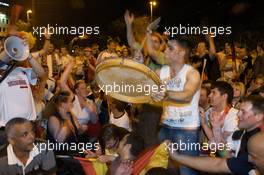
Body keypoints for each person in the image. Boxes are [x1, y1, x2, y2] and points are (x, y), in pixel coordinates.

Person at [168, 95, 264, 175]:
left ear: (259, 116)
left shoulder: (259, 142)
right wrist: (216, 129)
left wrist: (177, 157)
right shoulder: (243, 132)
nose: (238, 114)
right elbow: (227, 156)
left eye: (243, 112)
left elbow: (219, 164)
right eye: (239, 110)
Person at [152, 37, 201, 175]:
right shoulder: (162, 72)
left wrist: (166, 94)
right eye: (166, 47)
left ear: (182, 53)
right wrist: (138, 62)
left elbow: (187, 95)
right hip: (165, 127)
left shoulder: (192, 73)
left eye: (170, 48)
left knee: (187, 171)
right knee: (165, 168)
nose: (165, 50)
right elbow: (143, 79)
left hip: (186, 131)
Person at [200, 81, 239, 157]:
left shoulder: (234, 116)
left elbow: (220, 145)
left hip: (224, 159)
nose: (210, 95)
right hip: (208, 154)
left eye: (214, 93)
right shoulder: (209, 111)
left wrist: (205, 125)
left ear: (224, 96)